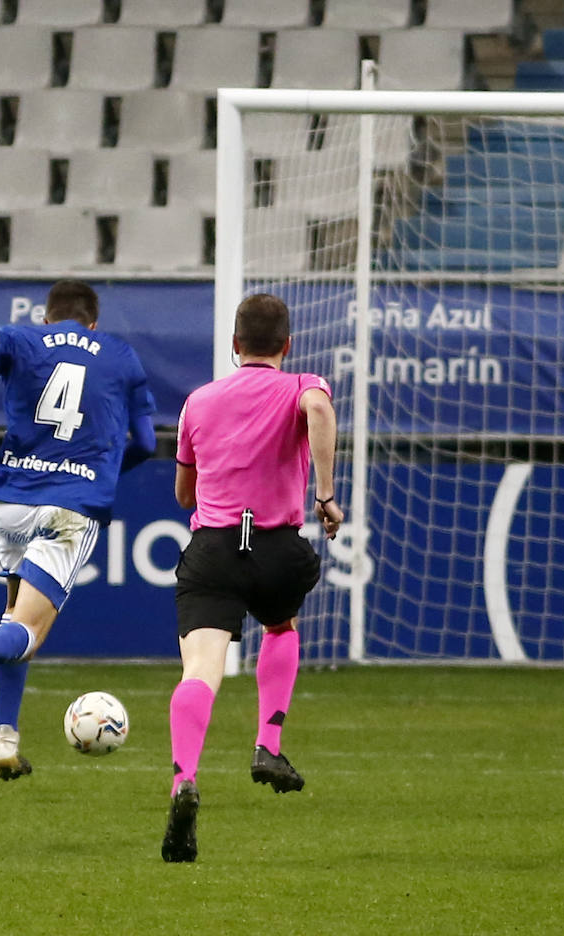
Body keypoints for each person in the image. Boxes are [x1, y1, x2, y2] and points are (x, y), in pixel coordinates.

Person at [0, 279, 157, 779]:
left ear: (47, 318)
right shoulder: (121, 355)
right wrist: (102, 471)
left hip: (10, 501)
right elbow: (144, 440)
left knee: (15, 615)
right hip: (69, 508)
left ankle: (5, 741)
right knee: (24, 634)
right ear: (93, 322)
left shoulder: (21, 338)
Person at [162, 293, 342, 863]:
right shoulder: (300, 387)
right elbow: (318, 410)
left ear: (235, 346)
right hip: (277, 548)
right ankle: (269, 744)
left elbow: (183, 495)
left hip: (215, 547)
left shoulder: (199, 401)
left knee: (202, 670)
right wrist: (325, 492)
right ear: (286, 346)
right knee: (281, 626)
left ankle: (183, 780)